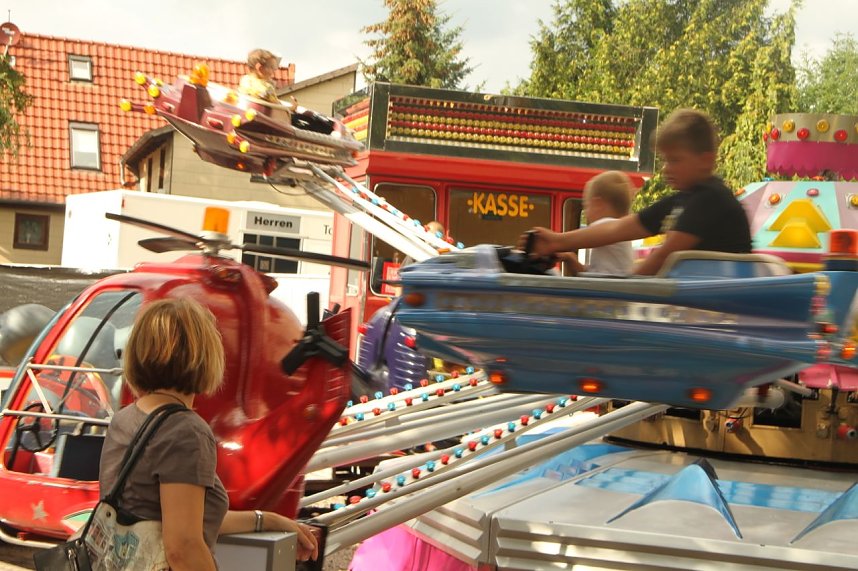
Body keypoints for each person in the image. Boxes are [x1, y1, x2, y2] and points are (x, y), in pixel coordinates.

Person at [99, 298, 318, 570]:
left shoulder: (125, 419)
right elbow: (183, 546)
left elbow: (189, 518)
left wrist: (272, 520)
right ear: (202, 355)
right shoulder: (185, 431)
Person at [521, 108, 752, 275]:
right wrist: (556, 241)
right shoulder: (682, 200)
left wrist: (621, 290)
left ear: (705, 161)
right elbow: (618, 228)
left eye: (675, 160)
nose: (666, 168)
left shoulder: (710, 199)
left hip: (718, 310)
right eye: (664, 160)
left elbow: (664, 257)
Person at [566, 171, 634, 275]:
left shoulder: (608, 225)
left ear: (598, 204)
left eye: (587, 206)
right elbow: (593, 274)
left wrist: (555, 243)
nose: (586, 213)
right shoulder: (618, 234)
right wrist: (569, 257)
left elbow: (581, 238)